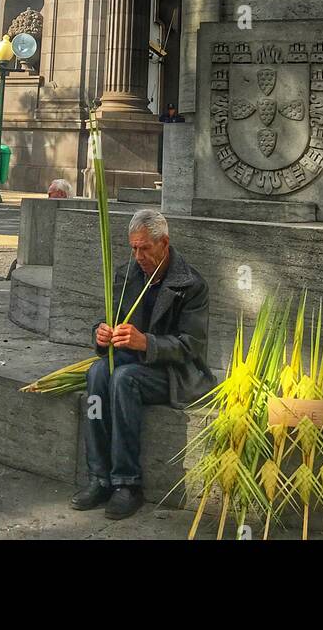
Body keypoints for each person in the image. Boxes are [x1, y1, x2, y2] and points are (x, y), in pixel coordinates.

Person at [70, 209, 214, 521]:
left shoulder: (190, 284)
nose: (138, 256)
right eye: (133, 248)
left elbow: (191, 345)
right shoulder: (127, 274)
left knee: (124, 379)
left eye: (145, 248)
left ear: (164, 243)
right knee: (97, 372)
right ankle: (99, 477)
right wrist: (102, 332)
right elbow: (107, 317)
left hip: (174, 374)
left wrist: (146, 342)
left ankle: (127, 483)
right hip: (132, 361)